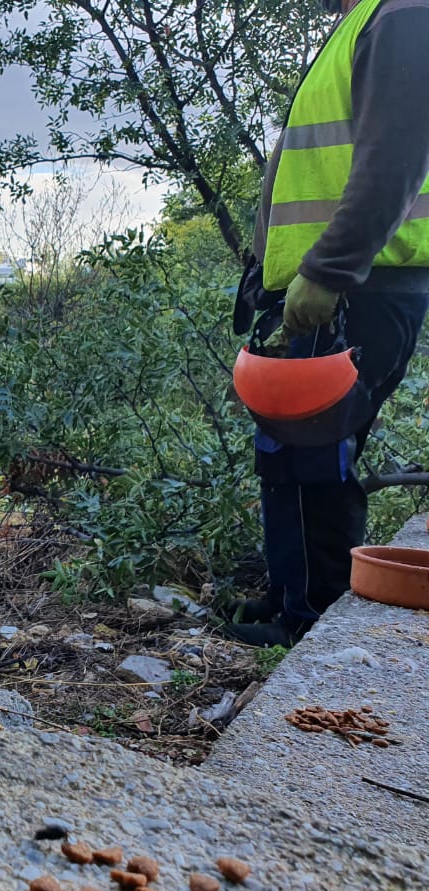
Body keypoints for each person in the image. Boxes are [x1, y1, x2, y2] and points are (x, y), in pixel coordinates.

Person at [227, 0, 429, 647]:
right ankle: (291, 592)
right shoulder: (364, 19)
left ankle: (311, 619)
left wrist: (329, 269)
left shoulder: (401, 12)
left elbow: (395, 154)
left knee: (318, 453)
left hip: (355, 288)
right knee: (286, 450)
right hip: (323, 290)